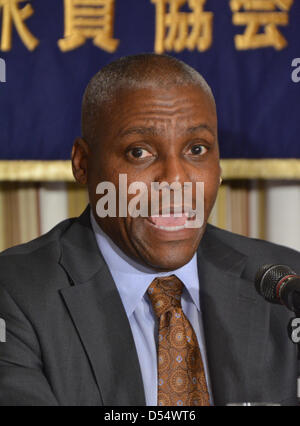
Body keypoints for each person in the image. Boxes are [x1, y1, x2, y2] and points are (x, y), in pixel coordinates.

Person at [0, 54, 299, 406]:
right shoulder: (15, 292)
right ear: (83, 164)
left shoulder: (286, 286)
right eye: (139, 152)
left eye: (197, 149)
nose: (175, 180)